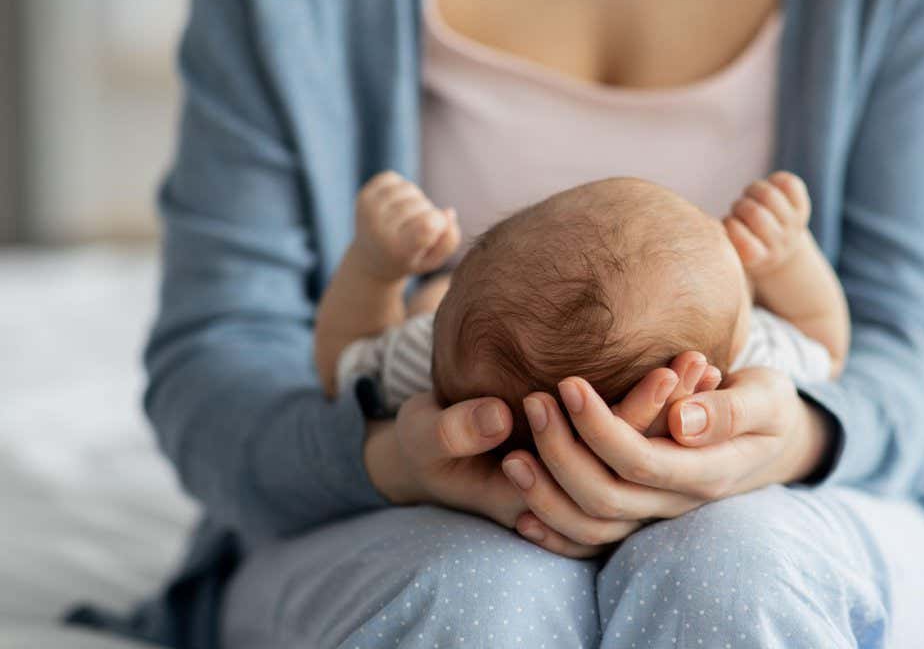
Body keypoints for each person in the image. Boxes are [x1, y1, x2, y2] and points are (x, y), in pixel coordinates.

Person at [91, 0, 924, 649]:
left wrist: (791, 439)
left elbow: (890, 348)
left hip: (798, 501)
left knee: (738, 578)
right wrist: (392, 460)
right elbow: (232, 359)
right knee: (473, 600)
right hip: (403, 512)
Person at [313, 174, 848, 446]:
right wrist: (787, 260)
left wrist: (376, 268)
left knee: (428, 302)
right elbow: (826, 345)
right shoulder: (749, 368)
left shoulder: (432, 366)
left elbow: (341, 366)